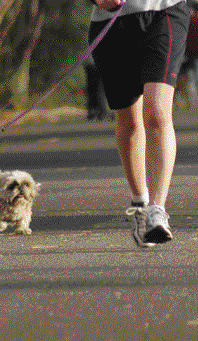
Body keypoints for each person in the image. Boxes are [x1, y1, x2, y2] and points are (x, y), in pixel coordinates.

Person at [88, 0, 191, 247]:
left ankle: (158, 210)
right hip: (111, 21)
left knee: (156, 112)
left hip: (165, 12)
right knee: (130, 122)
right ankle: (140, 203)